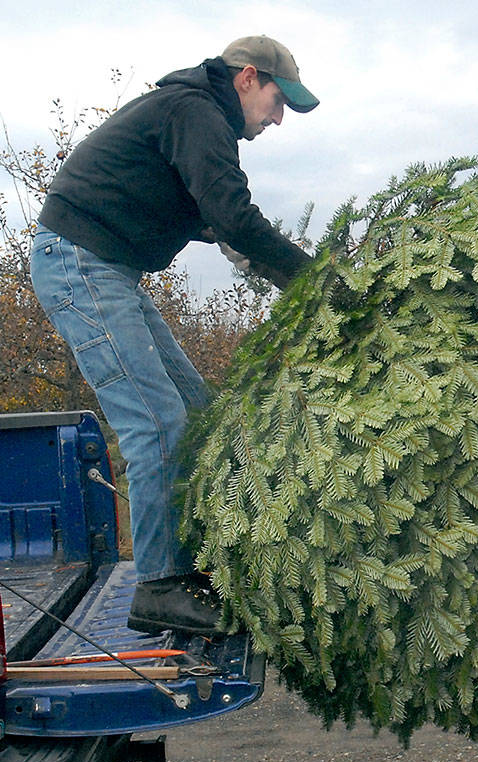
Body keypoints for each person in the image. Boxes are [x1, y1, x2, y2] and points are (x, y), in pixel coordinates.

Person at [29, 35, 319, 635]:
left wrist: (290, 283)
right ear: (246, 78)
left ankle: (195, 566)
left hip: (111, 269)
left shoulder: (193, 118)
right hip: (81, 262)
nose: (277, 118)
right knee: (159, 422)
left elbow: (226, 229)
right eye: (276, 100)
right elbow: (236, 217)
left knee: (198, 413)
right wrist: (313, 279)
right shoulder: (196, 112)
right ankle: (160, 585)